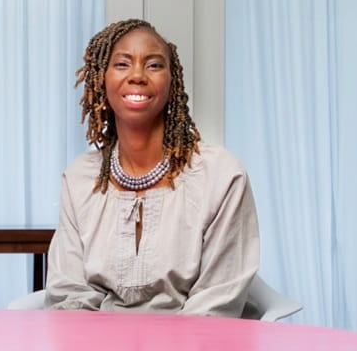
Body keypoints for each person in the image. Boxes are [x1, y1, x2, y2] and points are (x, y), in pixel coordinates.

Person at [44, 19, 261, 317]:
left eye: (154, 65)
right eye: (122, 64)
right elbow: (70, 294)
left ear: (173, 83)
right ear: (100, 79)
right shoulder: (81, 179)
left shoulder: (221, 176)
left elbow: (216, 301)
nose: (137, 75)